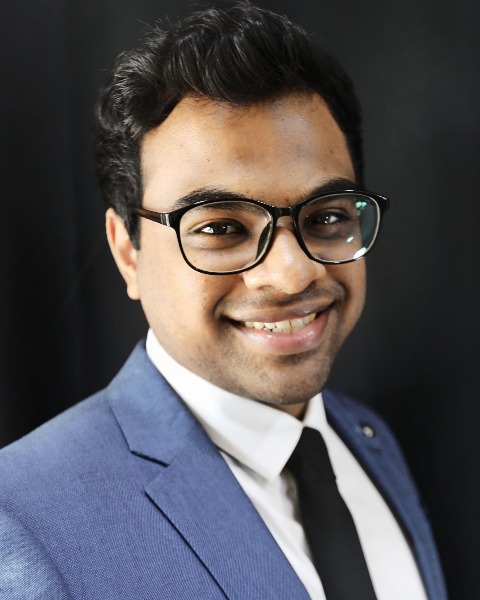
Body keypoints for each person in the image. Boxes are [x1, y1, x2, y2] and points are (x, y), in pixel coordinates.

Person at [0, 3, 446, 599]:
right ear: (127, 251)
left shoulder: (370, 441)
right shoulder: (25, 522)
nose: (291, 274)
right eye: (221, 228)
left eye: (326, 217)